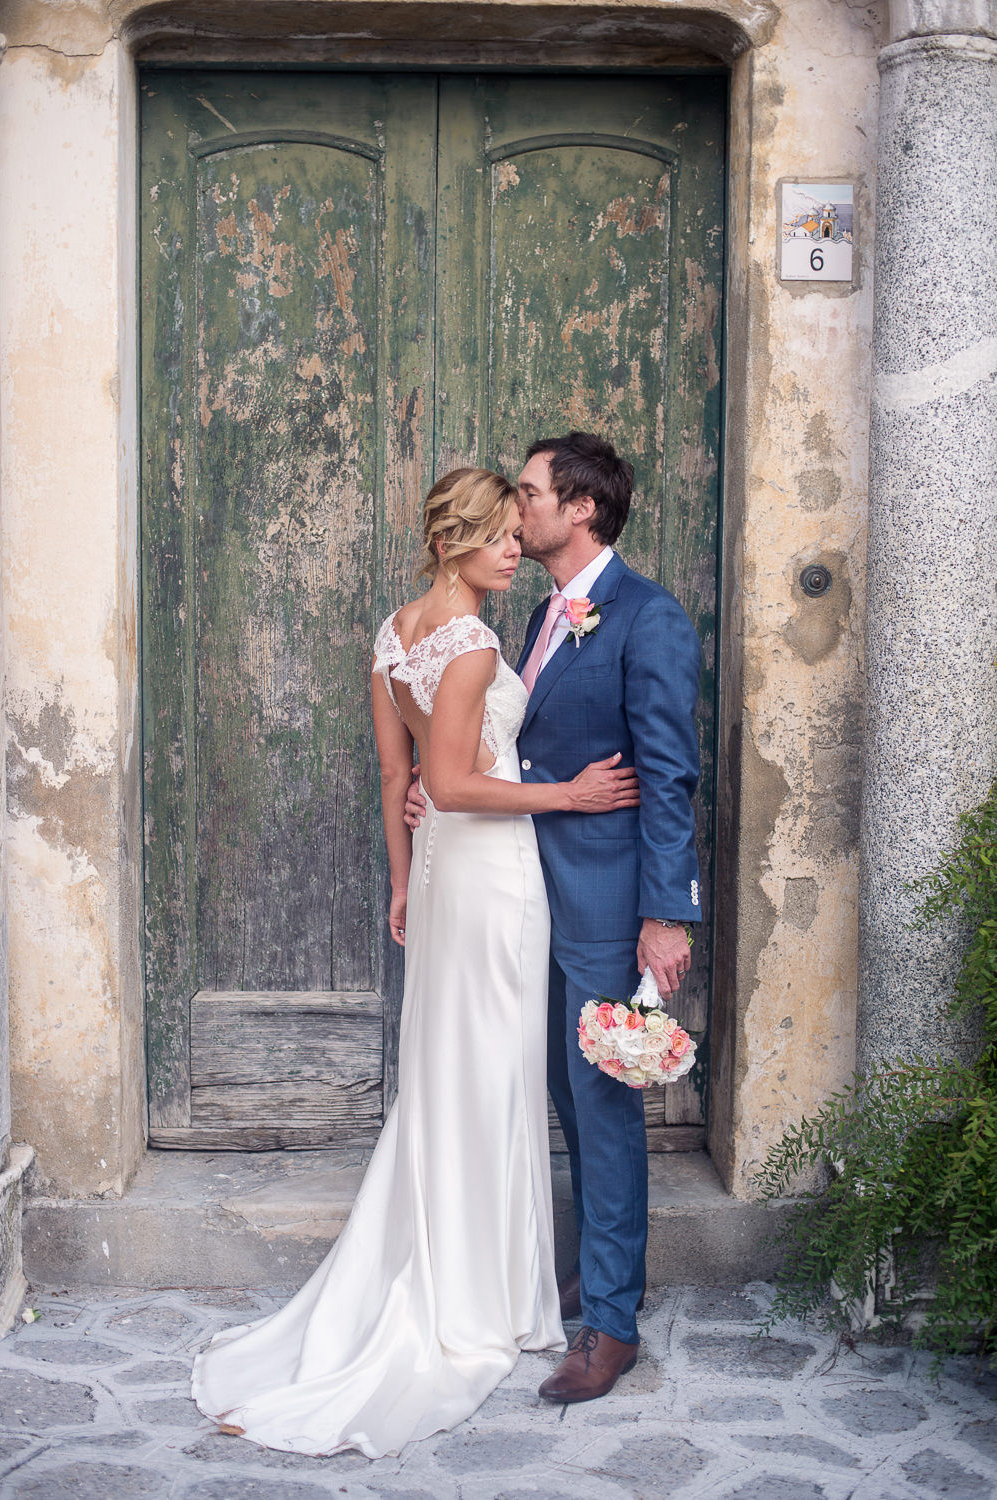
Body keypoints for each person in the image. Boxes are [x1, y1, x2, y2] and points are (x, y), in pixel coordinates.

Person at [191, 466, 640, 1458]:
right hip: (490, 882)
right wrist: (566, 797)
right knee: (490, 1075)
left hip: (441, 883)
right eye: (498, 538)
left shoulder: (392, 636)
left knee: (457, 1071)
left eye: (517, 536)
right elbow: (444, 779)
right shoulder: (473, 643)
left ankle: (471, 1263)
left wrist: (400, 885)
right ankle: (481, 1292)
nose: (514, 548)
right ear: (453, 543)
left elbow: (398, 779)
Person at [408, 431, 701, 1404]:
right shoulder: (538, 613)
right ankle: (596, 1269)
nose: (516, 508)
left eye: (529, 492)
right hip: (527, 900)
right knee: (568, 1100)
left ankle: (609, 1325)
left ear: (580, 510)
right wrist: (438, 793)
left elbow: (665, 776)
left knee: (605, 1107)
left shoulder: (646, 619)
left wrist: (665, 914)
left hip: (609, 909)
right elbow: (514, 754)